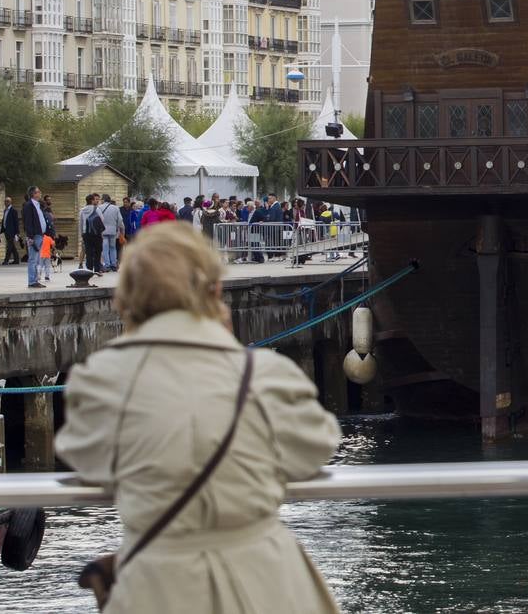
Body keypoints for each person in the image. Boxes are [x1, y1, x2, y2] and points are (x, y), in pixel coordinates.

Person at [55, 223, 343, 614]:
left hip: (157, 585)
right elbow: (315, 448)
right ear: (214, 292)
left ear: (126, 299)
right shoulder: (263, 375)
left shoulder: (99, 380)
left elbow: (85, 458)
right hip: (265, 581)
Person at [22, 187, 48, 289]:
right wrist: (30, 237)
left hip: (40, 234)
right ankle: (32, 281)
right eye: (38, 192)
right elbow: (27, 222)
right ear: (33, 194)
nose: (40, 193)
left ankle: (36, 280)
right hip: (34, 236)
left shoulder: (38, 205)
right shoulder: (29, 205)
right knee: (33, 259)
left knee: (37, 259)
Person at [99, 194, 123, 273]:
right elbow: (120, 220)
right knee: (113, 248)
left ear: (103, 199)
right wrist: (117, 227)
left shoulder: (100, 207)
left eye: (101, 199)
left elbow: (98, 219)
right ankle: (114, 265)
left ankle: (107, 265)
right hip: (113, 230)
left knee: (105, 249)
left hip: (103, 231)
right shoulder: (116, 208)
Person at [80, 193, 103, 274]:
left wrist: (82, 234)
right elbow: (101, 220)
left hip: (86, 233)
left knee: (88, 252)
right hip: (96, 234)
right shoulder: (96, 209)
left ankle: (89, 269)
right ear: (92, 200)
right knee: (98, 251)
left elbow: (81, 223)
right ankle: (97, 269)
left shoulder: (82, 210)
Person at [1, 196, 21, 264]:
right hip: (6, 230)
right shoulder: (5, 211)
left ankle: (6, 260)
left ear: (10, 202)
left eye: (7, 201)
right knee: (12, 246)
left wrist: (17, 232)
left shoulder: (13, 211)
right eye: (5, 201)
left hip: (11, 231)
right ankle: (16, 259)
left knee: (9, 246)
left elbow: (16, 222)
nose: (6, 202)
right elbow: (4, 220)